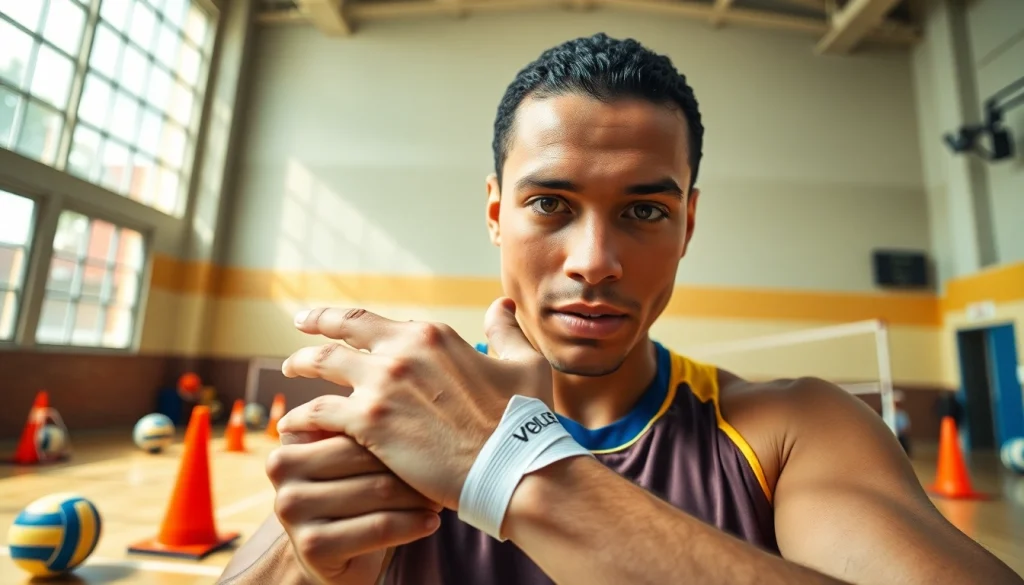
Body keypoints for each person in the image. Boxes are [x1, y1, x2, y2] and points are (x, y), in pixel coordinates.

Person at [216, 34, 1022, 585]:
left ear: (688, 225)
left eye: (644, 210)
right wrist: (309, 562)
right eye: (551, 204)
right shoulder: (392, 417)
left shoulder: (790, 431)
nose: (594, 260)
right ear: (497, 212)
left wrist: (515, 470)